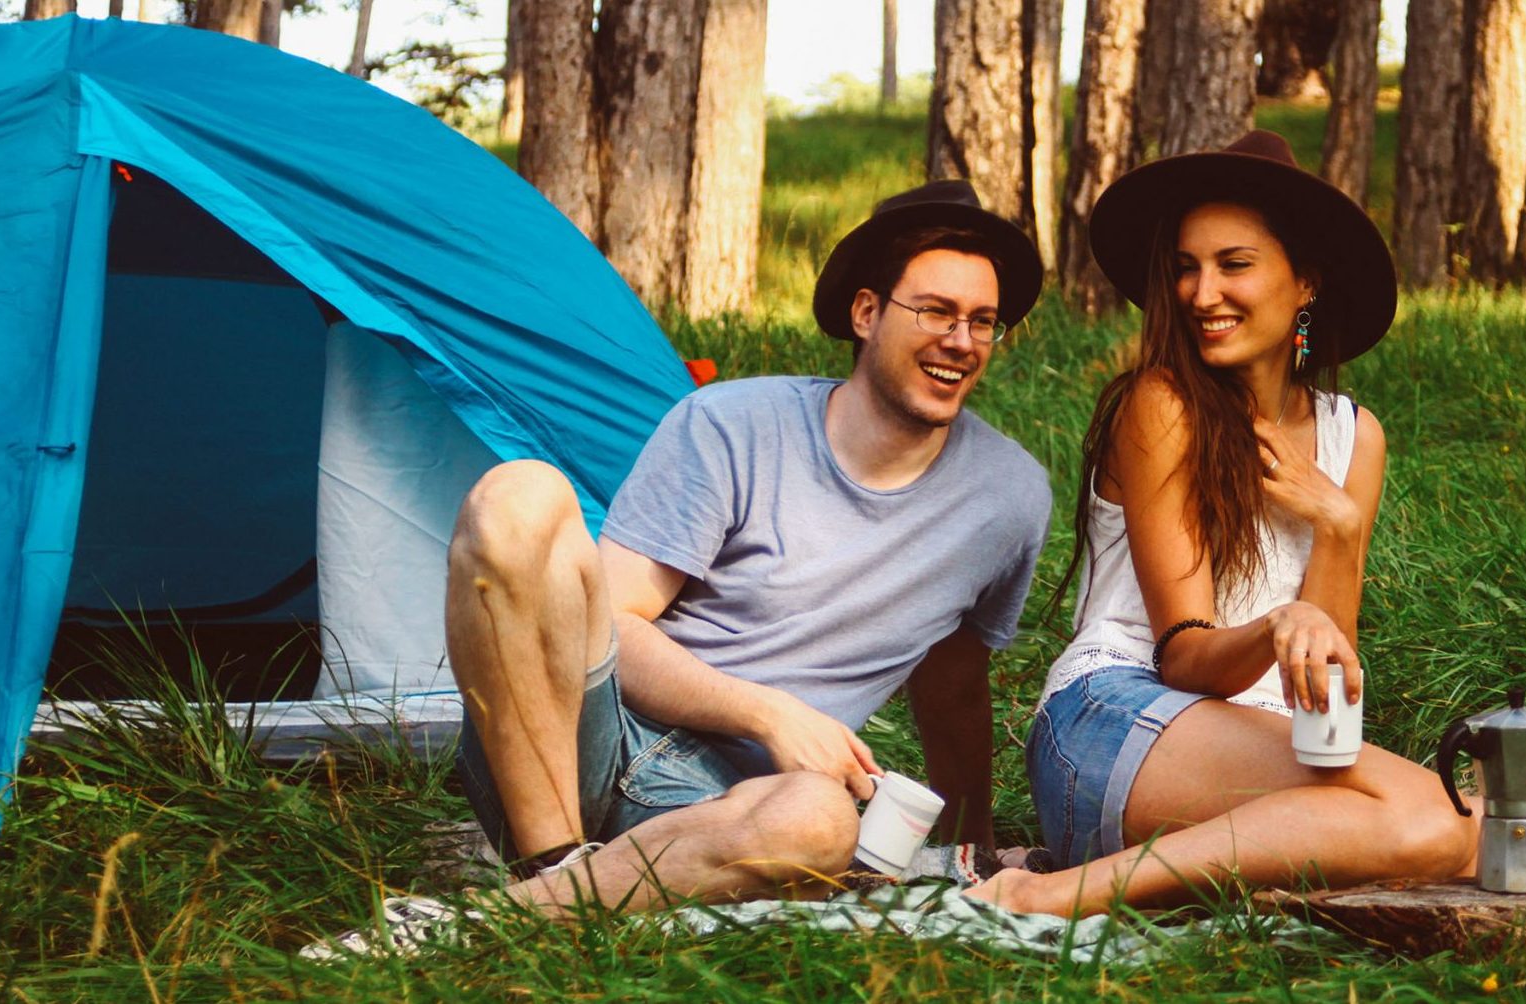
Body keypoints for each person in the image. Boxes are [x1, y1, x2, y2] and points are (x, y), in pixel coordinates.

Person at [309, 181, 1052, 955]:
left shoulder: (1007, 496)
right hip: (579, 744)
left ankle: (518, 912)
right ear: (867, 313)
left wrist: (972, 844)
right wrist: (770, 712)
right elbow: (618, 630)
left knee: (821, 818)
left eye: (982, 322)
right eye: (934, 311)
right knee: (517, 495)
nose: (961, 341)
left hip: (737, 804)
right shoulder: (734, 423)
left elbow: (954, 678)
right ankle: (554, 861)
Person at [970, 132, 1526, 918]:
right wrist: (1275, 624)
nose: (1201, 294)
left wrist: (1336, 521)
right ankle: (1054, 894)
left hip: (1260, 737)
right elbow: (1186, 659)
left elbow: (1323, 676)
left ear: (1304, 283)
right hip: (1115, 715)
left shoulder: (1351, 436)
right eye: (1186, 268)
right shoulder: (1159, 407)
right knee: (1439, 827)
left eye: (1234, 264)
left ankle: (1240, 862)